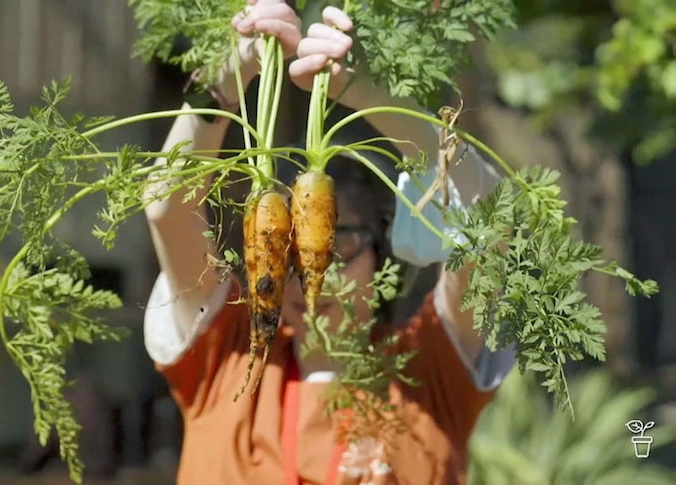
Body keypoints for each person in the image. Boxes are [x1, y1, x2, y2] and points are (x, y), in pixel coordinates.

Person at [142, 1, 515, 483]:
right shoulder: (227, 361)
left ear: (380, 251)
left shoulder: (430, 371)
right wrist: (231, 76)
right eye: (283, 256)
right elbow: (165, 207)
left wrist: (367, 94)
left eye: (337, 248)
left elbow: (491, 220)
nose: (307, 278)